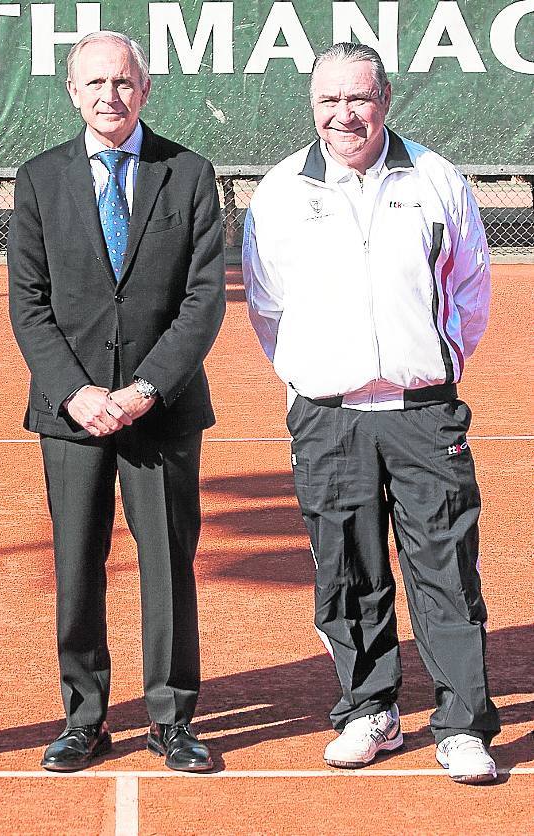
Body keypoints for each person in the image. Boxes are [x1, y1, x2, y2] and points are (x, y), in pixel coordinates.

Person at [243, 42, 499, 784]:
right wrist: (319, 378)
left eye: (358, 98)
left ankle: (461, 724)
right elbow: (267, 306)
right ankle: (369, 710)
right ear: (312, 106)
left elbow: (469, 290)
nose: (344, 114)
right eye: (329, 100)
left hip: (423, 415)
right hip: (329, 419)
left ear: (385, 99)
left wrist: (426, 367)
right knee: (346, 571)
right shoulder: (280, 192)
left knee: (446, 571)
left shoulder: (436, 179)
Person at [8, 31, 225, 773]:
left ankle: (172, 718)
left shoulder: (189, 173)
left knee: (167, 564)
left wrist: (142, 390)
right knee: (77, 564)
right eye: (95, 83)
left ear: (145, 88)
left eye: (123, 81)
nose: (110, 95)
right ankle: (84, 717)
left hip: (160, 410)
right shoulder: (38, 179)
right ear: (73, 92)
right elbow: (28, 303)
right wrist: (76, 393)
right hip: (70, 415)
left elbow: (202, 300)